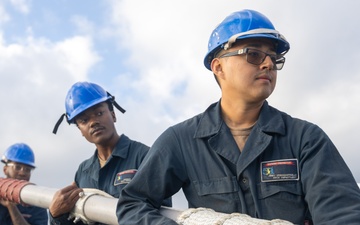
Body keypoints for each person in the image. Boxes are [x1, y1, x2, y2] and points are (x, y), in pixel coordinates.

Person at [117, 9, 360, 224]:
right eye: (253, 54)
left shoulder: (305, 140)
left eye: (274, 58)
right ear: (218, 67)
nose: (268, 64)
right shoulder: (181, 141)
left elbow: (342, 214)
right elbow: (133, 203)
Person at [49, 81, 170, 225]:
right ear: (80, 130)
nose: (93, 122)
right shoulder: (83, 171)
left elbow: (161, 214)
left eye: (99, 113)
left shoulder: (144, 157)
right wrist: (56, 215)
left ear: (113, 115)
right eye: (84, 120)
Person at [0, 143, 48, 225]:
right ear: (5, 169)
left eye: (27, 169)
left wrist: (12, 207)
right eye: (17, 167)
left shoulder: (36, 202)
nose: (23, 173)